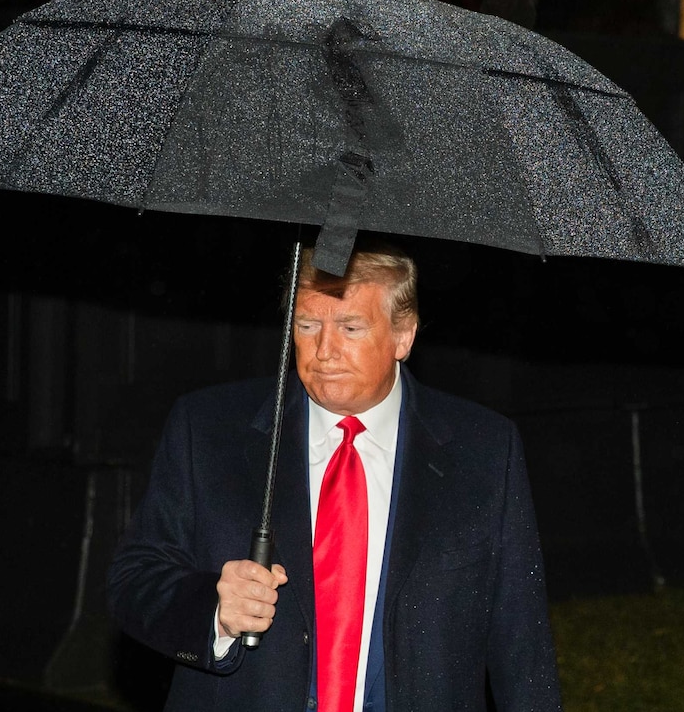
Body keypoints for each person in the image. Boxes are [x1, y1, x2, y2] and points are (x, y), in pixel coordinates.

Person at [107, 241, 562, 712]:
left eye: (350, 327)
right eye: (307, 326)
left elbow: (521, 643)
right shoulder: (207, 430)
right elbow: (133, 581)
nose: (325, 351)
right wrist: (216, 612)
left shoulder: (484, 450)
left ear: (403, 335)